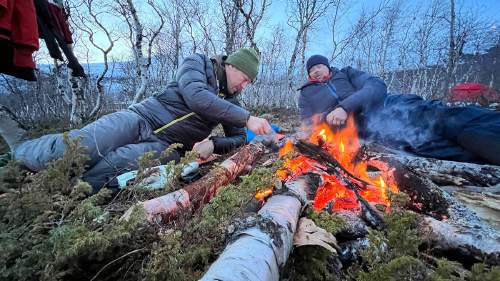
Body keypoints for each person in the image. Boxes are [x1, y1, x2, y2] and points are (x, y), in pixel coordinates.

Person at [0, 48, 273, 192]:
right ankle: (21, 150)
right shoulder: (198, 63)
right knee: (74, 149)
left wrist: (214, 144)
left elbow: (239, 137)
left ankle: (53, 194)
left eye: (250, 83)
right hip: (139, 117)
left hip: (164, 147)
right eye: (245, 79)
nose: (245, 86)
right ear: (232, 66)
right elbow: (196, 96)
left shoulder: (233, 103)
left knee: (104, 174)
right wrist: (247, 118)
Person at [298, 54, 500, 166]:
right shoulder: (306, 94)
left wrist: (344, 107)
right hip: (366, 129)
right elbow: (308, 125)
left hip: (387, 106)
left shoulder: (346, 73)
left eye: (319, 66)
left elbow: (376, 86)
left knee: (441, 118)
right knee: (426, 145)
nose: (316, 71)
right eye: (311, 70)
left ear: (327, 67)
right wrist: (330, 116)